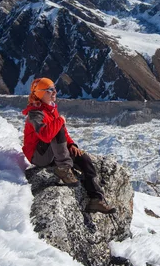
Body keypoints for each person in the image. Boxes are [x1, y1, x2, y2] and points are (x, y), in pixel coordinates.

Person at [22, 77, 116, 214]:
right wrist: (60, 121)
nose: (54, 92)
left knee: (84, 159)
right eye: (49, 90)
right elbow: (46, 135)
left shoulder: (51, 109)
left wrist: (71, 144)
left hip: (51, 151)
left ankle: (96, 199)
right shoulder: (35, 113)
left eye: (54, 89)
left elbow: (62, 132)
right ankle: (64, 168)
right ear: (41, 93)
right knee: (56, 127)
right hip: (38, 155)